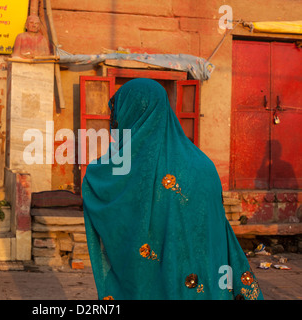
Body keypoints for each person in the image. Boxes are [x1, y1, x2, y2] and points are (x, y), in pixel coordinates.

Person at [82, 78, 263, 300]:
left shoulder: (129, 169)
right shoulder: (203, 164)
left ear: (133, 115)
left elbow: (104, 192)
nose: (114, 126)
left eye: (117, 118)